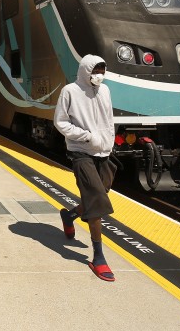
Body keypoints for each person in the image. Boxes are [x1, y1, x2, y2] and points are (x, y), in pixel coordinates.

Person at [54, 54, 117, 282]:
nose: (98, 75)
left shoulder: (106, 91)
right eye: (95, 71)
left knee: (100, 193)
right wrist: (87, 137)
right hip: (81, 152)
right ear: (85, 71)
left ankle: (69, 215)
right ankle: (98, 257)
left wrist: (108, 140)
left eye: (102, 71)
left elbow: (108, 119)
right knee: (97, 200)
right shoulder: (70, 91)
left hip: (104, 152)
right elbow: (60, 122)